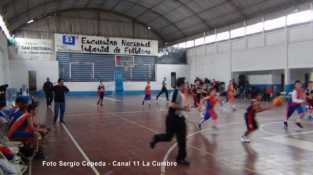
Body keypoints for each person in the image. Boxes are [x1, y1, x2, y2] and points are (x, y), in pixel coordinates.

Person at [150, 77, 190, 165]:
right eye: (185, 84)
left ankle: (156, 138)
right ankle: (181, 158)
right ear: (182, 85)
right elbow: (171, 105)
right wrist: (184, 108)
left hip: (175, 118)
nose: (186, 86)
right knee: (182, 139)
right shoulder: (176, 93)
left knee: (169, 137)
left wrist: (185, 108)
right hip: (175, 119)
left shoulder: (179, 93)